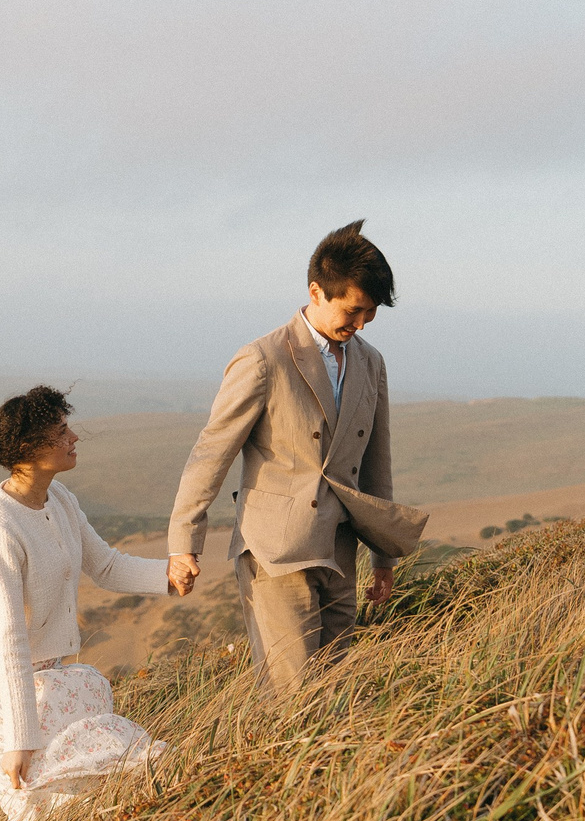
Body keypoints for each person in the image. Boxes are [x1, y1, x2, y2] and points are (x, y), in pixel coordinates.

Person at [166, 221, 429, 694]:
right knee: (290, 695)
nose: (361, 324)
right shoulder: (263, 359)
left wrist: (384, 558)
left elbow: (376, 462)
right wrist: (184, 541)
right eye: (353, 310)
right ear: (316, 291)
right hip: (275, 552)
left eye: (370, 313)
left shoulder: (371, 362)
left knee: (336, 692)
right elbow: (212, 451)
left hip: (340, 549)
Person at [0, 385, 171, 821]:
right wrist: (20, 739)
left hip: (47, 676)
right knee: (39, 810)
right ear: (27, 449)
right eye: (60, 431)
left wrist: (169, 576)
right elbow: (11, 638)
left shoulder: (61, 499)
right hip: (0, 685)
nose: (73, 437)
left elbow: (106, 566)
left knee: (95, 788)